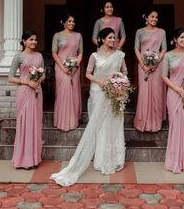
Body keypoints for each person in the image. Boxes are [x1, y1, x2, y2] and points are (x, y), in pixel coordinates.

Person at [50, 28, 128, 186]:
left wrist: (119, 81)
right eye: (110, 38)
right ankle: (100, 160)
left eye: (115, 38)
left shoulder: (119, 55)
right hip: (98, 92)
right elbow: (87, 74)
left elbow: (124, 72)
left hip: (115, 92)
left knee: (113, 123)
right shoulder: (95, 56)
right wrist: (100, 82)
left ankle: (115, 158)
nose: (113, 40)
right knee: (100, 126)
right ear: (102, 39)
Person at [162, 28, 184, 173]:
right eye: (182, 37)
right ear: (175, 40)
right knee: (176, 126)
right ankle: (175, 160)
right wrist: (178, 90)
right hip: (174, 94)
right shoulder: (167, 56)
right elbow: (164, 76)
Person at [8, 30, 45, 169]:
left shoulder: (39, 56)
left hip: (36, 91)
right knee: (24, 123)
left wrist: (37, 80)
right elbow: (10, 77)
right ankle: (21, 159)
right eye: (31, 39)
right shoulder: (18, 57)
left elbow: (44, 75)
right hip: (24, 91)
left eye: (35, 39)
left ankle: (34, 158)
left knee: (35, 122)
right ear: (24, 41)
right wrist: (27, 82)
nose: (34, 42)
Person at [134, 9, 167, 132]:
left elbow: (163, 49)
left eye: (156, 17)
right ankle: (142, 122)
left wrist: (156, 62)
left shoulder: (162, 32)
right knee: (144, 93)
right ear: (146, 18)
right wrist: (143, 65)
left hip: (157, 66)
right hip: (143, 66)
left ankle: (155, 123)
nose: (154, 19)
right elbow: (136, 49)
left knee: (156, 94)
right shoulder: (140, 32)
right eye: (152, 17)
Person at [52, 14, 83, 131]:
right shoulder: (57, 35)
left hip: (74, 67)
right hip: (61, 67)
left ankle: (72, 120)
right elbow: (54, 52)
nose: (71, 23)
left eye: (73, 21)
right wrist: (62, 67)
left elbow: (80, 53)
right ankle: (62, 120)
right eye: (69, 21)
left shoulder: (78, 36)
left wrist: (75, 66)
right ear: (64, 23)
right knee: (63, 91)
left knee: (73, 91)